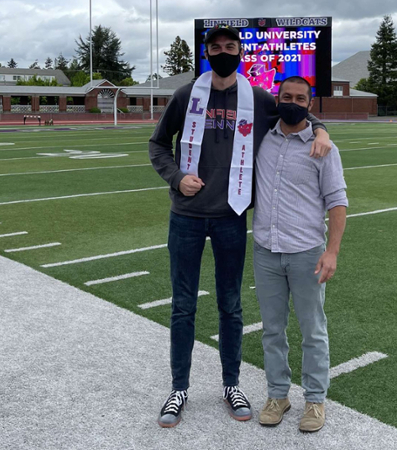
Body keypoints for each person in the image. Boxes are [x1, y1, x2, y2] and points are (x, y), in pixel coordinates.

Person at [148, 25, 331, 428]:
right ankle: (179, 388)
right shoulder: (186, 95)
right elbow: (158, 144)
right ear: (207, 52)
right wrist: (176, 177)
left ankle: (231, 383)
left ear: (240, 52)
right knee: (183, 305)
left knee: (231, 305)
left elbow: (298, 109)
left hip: (232, 216)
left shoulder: (258, 97)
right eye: (216, 47)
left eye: (230, 47)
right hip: (187, 217)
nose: (223, 52)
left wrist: (321, 129)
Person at [252, 76, 348, 432]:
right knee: (272, 330)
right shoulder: (261, 139)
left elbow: (337, 202)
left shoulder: (325, 149)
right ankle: (278, 394)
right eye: (286, 96)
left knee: (313, 331)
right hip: (266, 251)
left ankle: (314, 401)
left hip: (307, 253)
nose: (291, 101)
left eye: (299, 98)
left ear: (310, 105)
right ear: (277, 99)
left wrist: (332, 252)